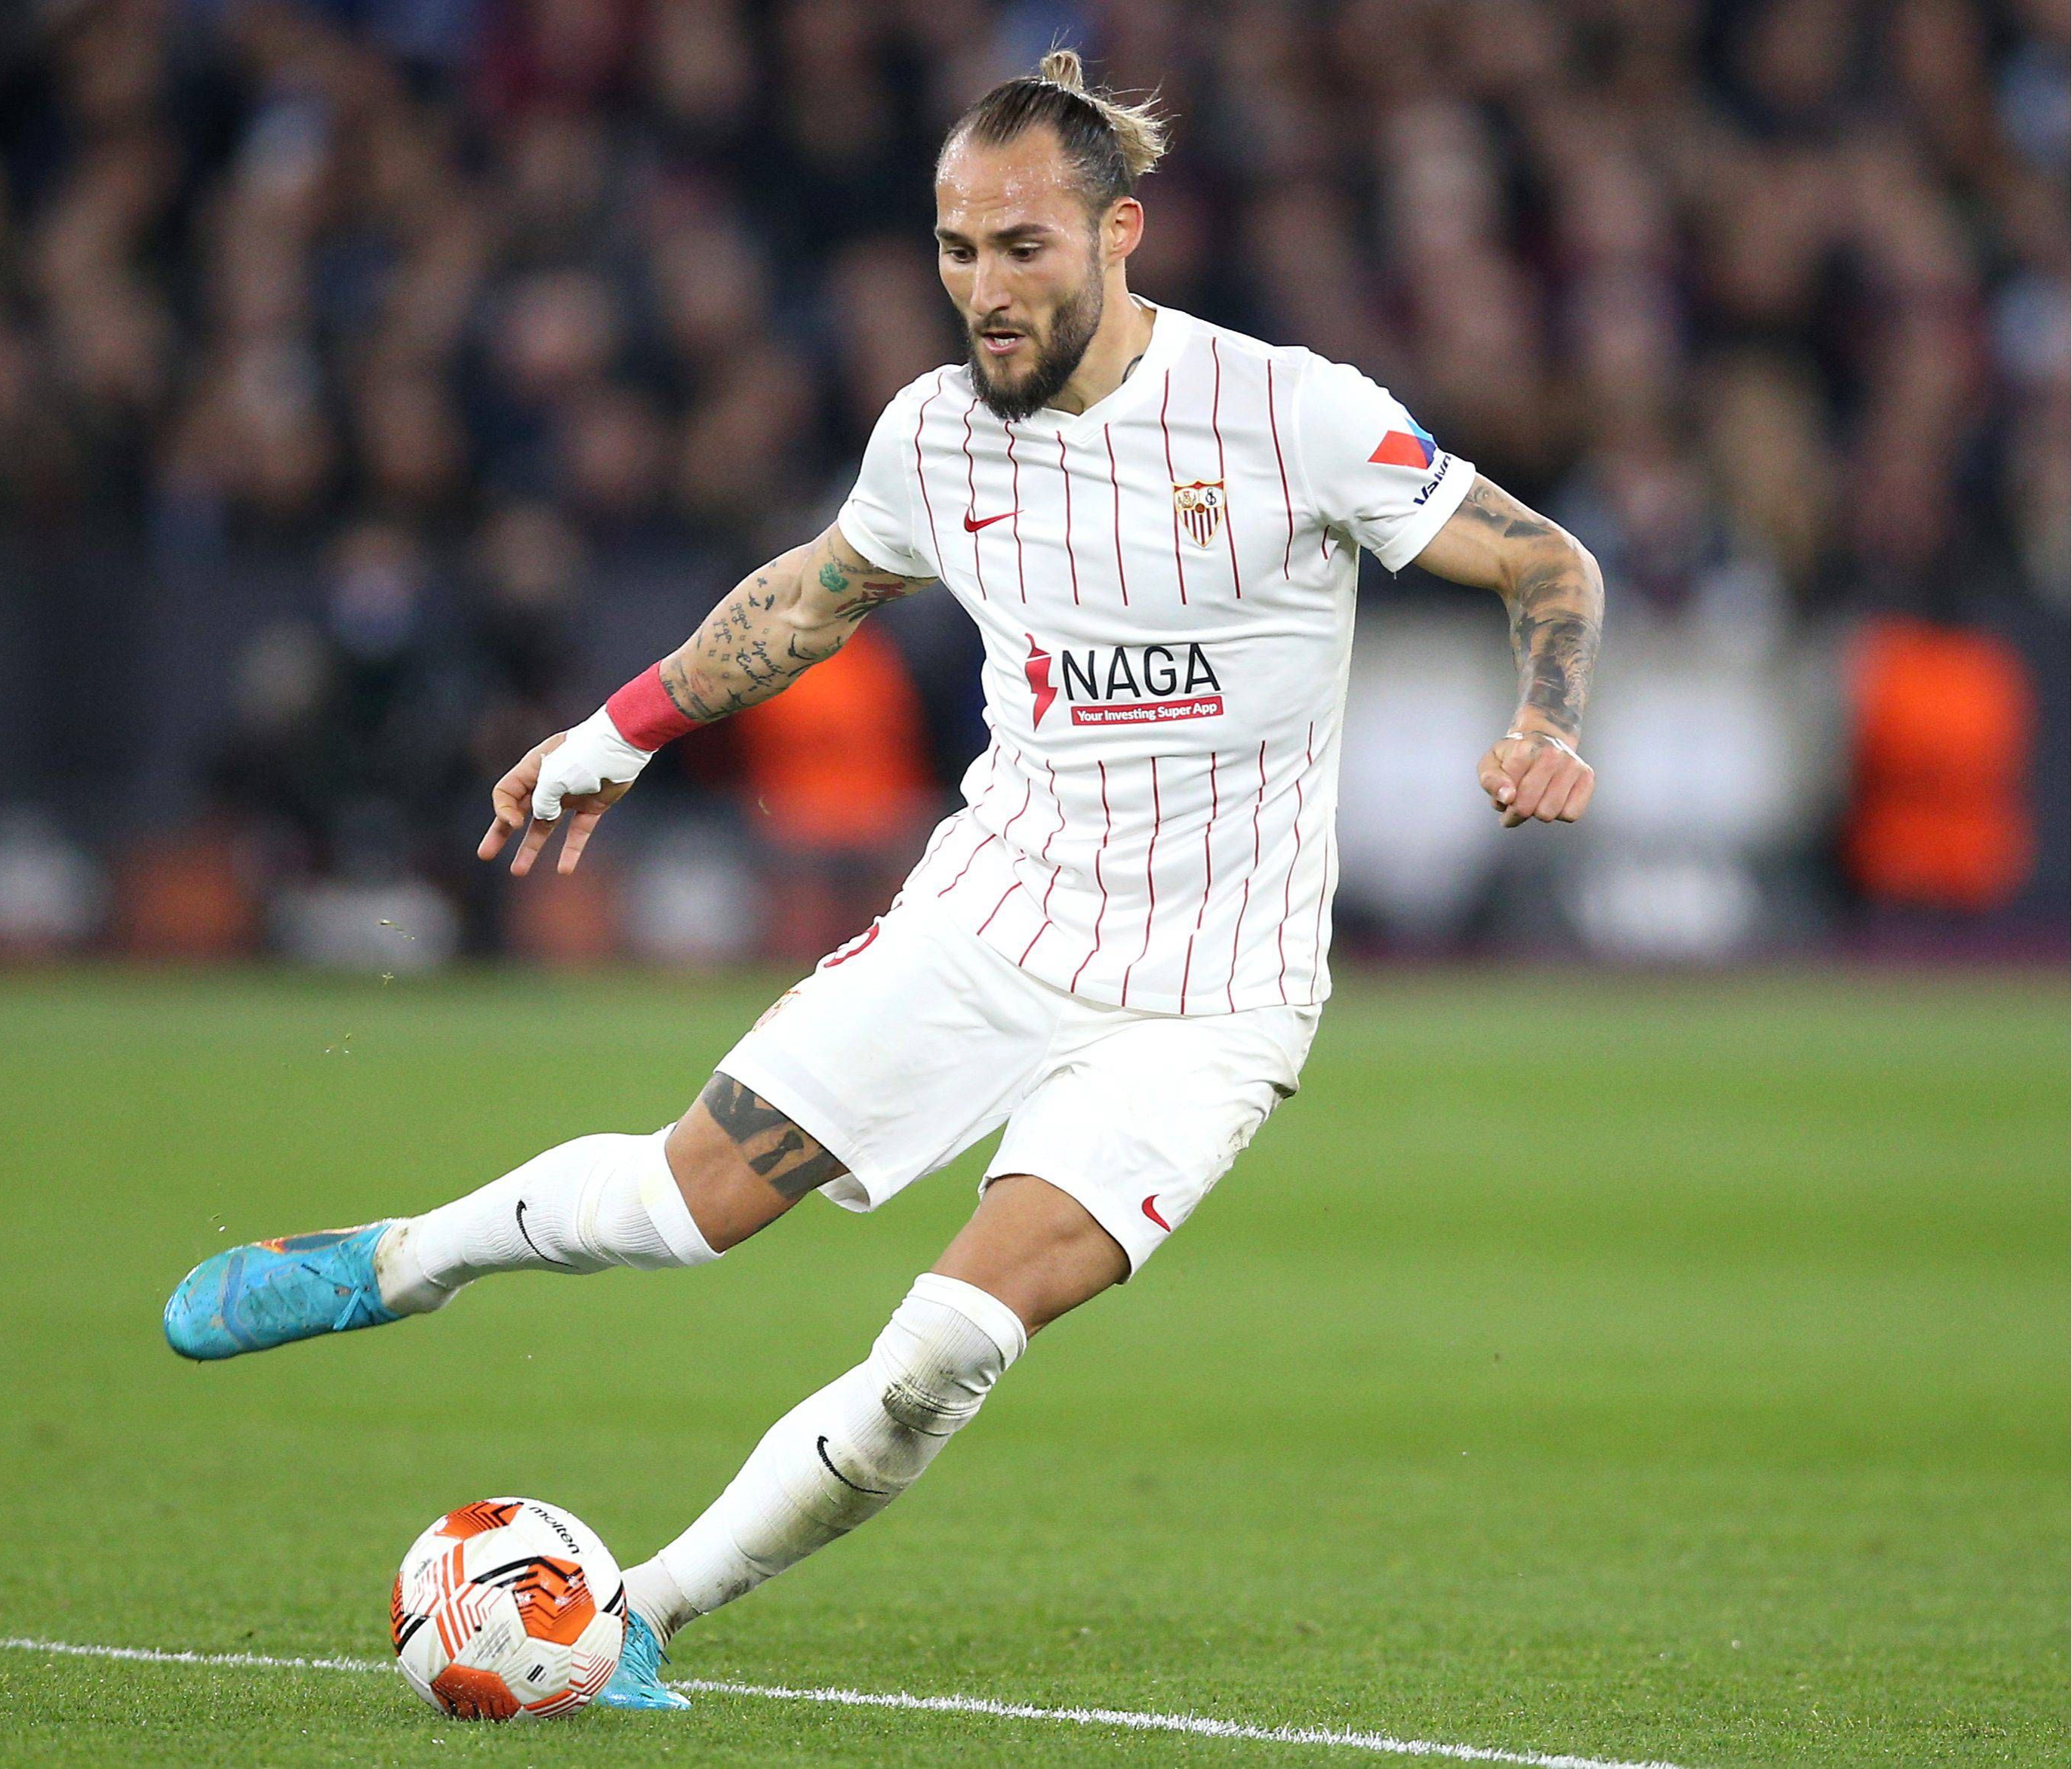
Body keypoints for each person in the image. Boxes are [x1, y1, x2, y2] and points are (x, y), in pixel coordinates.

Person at [162, 51, 1603, 1712]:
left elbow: (1542, 556)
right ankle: (394, 1260)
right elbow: (818, 589)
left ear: (1118, 233)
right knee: (677, 1208)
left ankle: (638, 1610)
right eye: (954, 250)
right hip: (988, 923)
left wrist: (1547, 717)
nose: (981, 292)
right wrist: (616, 731)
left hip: (1208, 1003)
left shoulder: (1290, 413)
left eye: (1020, 250)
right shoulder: (934, 434)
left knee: (942, 1351)